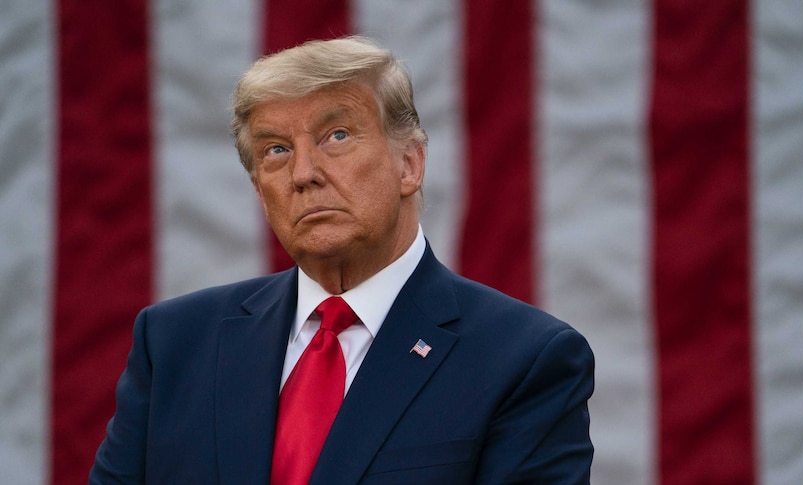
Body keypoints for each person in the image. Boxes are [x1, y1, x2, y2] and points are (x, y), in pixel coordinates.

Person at [90, 36, 595, 484]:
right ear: (260, 192)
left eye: (337, 136)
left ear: (409, 164)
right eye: (276, 150)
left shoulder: (525, 360)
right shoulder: (173, 343)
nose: (303, 173)